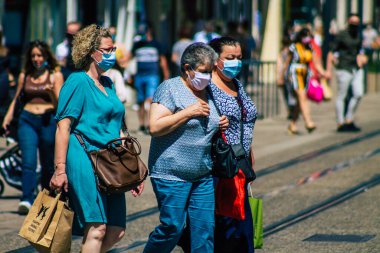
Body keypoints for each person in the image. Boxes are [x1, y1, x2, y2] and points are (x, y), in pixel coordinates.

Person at [49, 25, 144, 253]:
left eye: (114, 48)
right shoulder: (77, 81)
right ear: (92, 52)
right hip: (83, 155)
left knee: (116, 230)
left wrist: (132, 169)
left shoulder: (108, 83)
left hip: (111, 160)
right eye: (108, 49)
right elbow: (63, 127)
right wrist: (60, 169)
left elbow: (119, 129)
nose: (113, 53)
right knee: (97, 227)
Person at [143, 42, 229, 253]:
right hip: (171, 173)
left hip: (202, 174)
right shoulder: (170, 88)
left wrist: (221, 123)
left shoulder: (211, 92)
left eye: (210, 71)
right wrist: (187, 112)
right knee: (172, 227)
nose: (207, 76)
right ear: (187, 68)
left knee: (204, 231)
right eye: (203, 71)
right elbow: (154, 126)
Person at [2, 40, 64, 214]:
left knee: (47, 163)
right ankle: (27, 199)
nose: (37, 59)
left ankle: (47, 198)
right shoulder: (25, 74)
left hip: (48, 120)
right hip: (27, 120)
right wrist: (8, 116)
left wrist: (51, 91)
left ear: (46, 56)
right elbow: (17, 98)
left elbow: (60, 104)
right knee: (28, 161)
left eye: (40, 55)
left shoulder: (55, 75)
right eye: (34, 56)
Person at [208, 36, 257, 253]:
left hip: (240, 165)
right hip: (221, 167)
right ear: (216, 59)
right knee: (227, 227)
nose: (235, 62)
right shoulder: (207, 87)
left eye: (239, 57)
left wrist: (249, 155)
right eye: (230, 57)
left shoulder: (236, 84)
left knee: (241, 230)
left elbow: (245, 121)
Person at [124, 22, 170, 134]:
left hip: (152, 75)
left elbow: (162, 60)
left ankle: (150, 124)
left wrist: (166, 74)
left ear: (148, 31)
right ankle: (142, 125)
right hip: (140, 75)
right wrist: (126, 73)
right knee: (140, 101)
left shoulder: (156, 44)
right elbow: (128, 58)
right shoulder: (137, 44)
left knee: (149, 100)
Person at [327, 14, 367, 132]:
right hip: (344, 68)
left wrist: (362, 57)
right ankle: (341, 122)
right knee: (342, 95)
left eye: (357, 23)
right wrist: (329, 70)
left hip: (356, 68)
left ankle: (349, 118)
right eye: (352, 23)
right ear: (348, 22)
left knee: (358, 93)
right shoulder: (342, 35)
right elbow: (331, 52)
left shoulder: (358, 36)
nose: (355, 26)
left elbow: (360, 50)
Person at [282, 28, 317, 134]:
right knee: (302, 97)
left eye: (309, 36)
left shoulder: (310, 48)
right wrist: (281, 76)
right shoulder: (293, 47)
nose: (307, 38)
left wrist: (321, 73)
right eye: (305, 36)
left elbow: (314, 62)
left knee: (300, 101)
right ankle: (308, 121)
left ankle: (292, 124)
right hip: (295, 73)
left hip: (305, 74)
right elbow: (287, 62)